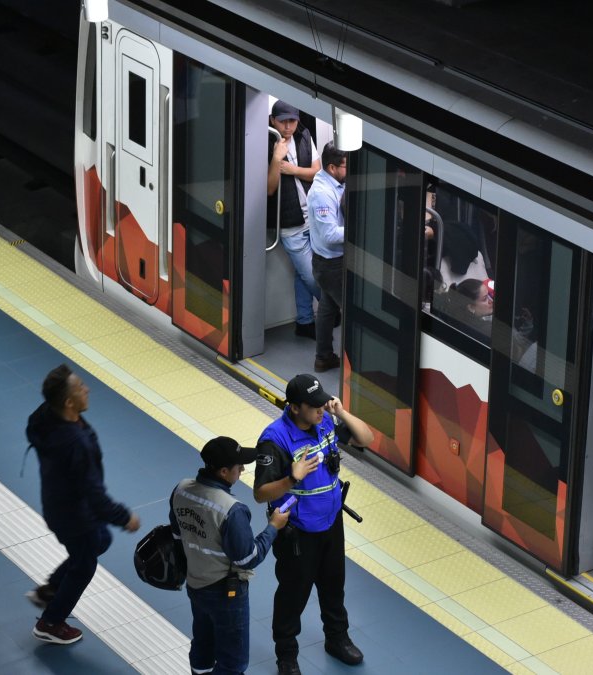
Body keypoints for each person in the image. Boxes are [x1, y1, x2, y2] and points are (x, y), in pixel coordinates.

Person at [254, 374, 375, 675]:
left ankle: (337, 638)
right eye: (314, 405)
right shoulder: (275, 439)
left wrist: (341, 412)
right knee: (293, 595)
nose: (321, 409)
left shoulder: (325, 422)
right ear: (295, 407)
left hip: (331, 524)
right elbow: (260, 494)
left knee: (334, 586)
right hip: (298, 532)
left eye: (323, 403)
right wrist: (292, 477)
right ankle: (287, 655)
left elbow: (366, 438)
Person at [25, 364, 141, 644]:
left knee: (100, 540)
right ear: (68, 402)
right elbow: (94, 494)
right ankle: (50, 623)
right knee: (84, 565)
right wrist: (125, 517)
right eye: (80, 388)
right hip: (76, 515)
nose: (87, 389)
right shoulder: (75, 443)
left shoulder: (46, 417)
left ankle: (50, 589)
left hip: (57, 504)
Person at [169, 437, 289, 675]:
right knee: (233, 664)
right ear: (224, 471)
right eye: (239, 466)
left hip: (195, 583)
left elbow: (176, 534)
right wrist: (273, 527)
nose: (243, 469)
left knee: (203, 644)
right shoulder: (231, 509)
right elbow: (247, 558)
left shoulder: (181, 489)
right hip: (226, 594)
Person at [268, 100, 322, 339]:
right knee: (312, 276)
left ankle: (305, 322)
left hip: (313, 218)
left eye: (292, 121)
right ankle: (336, 308)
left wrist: (292, 170)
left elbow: (317, 172)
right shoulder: (266, 142)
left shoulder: (304, 136)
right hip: (290, 225)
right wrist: (276, 160)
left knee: (304, 274)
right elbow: (269, 189)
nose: (288, 126)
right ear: (273, 121)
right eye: (283, 121)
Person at [307, 142, 348, 373]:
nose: (348, 170)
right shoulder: (322, 194)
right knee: (352, 313)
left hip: (330, 263)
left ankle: (323, 358)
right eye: (345, 166)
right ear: (332, 168)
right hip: (331, 264)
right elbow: (330, 234)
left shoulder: (335, 183)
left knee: (327, 309)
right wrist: (361, 232)